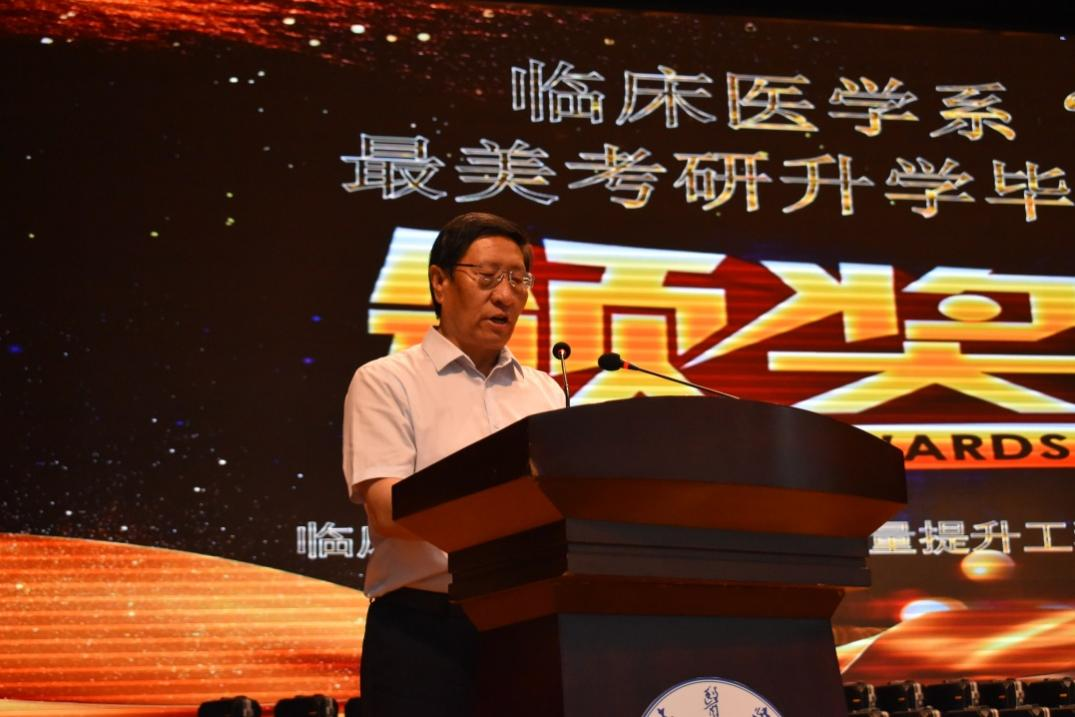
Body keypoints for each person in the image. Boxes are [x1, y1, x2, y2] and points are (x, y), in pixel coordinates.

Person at [342, 212, 566, 716]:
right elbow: (388, 510)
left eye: (519, 280)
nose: (505, 296)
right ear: (440, 282)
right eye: (487, 277)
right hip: (423, 631)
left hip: (526, 628)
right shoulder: (386, 381)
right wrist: (511, 515)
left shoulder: (545, 392)